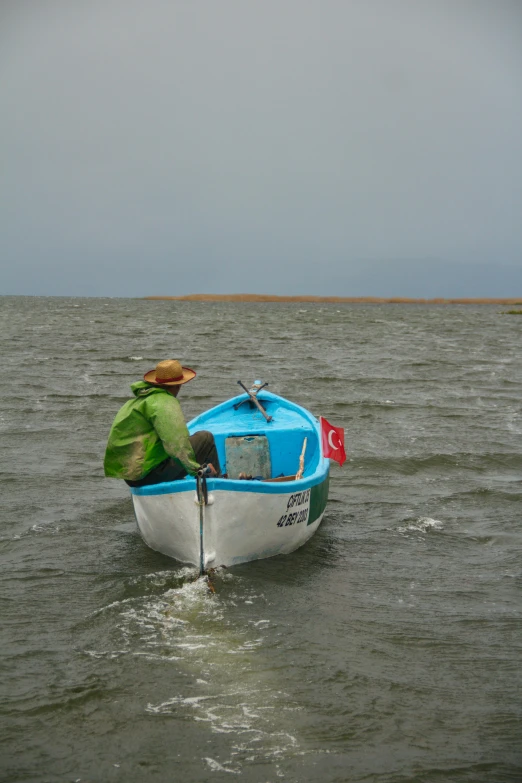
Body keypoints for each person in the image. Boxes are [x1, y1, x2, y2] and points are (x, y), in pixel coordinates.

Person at [104, 359, 221, 486]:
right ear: (178, 385)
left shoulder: (136, 402)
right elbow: (177, 444)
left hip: (131, 477)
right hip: (149, 475)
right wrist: (197, 469)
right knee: (206, 438)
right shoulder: (165, 403)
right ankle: (217, 484)